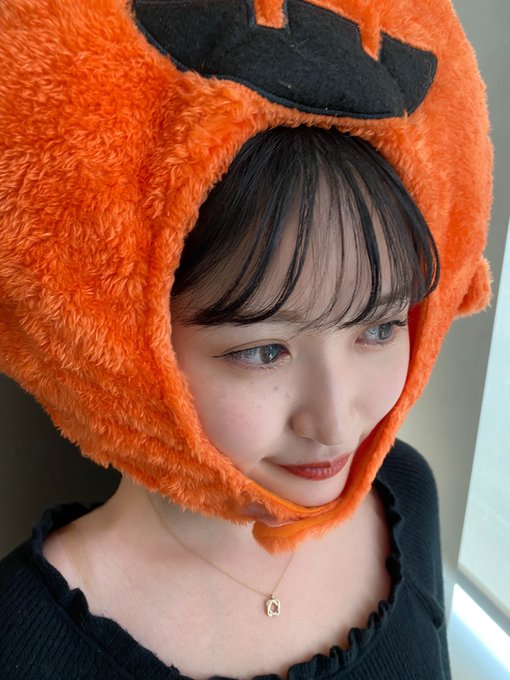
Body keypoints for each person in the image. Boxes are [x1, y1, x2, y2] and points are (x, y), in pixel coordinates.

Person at [0, 1, 492, 678]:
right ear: (121, 346)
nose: (336, 424)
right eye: (263, 351)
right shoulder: (21, 644)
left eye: (379, 328)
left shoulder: (405, 489)